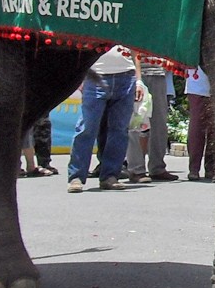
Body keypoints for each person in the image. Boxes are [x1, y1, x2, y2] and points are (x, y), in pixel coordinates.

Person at [67, 44, 144, 192]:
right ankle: (76, 176)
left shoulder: (128, 23)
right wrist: (79, 75)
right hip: (96, 75)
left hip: (126, 76)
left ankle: (110, 176)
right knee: (87, 127)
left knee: (119, 130)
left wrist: (139, 80)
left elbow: (135, 49)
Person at [125, 54, 176, 183]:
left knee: (160, 123)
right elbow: (132, 49)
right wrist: (138, 79)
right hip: (136, 74)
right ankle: (136, 169)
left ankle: (157, 168)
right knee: (136, 121)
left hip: (158, 73)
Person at [185, 64, 215, 181]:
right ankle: (198, 168)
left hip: (198, 78)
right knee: (198, 125)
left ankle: (206, 167)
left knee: (212, 126)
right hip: (198, 78)